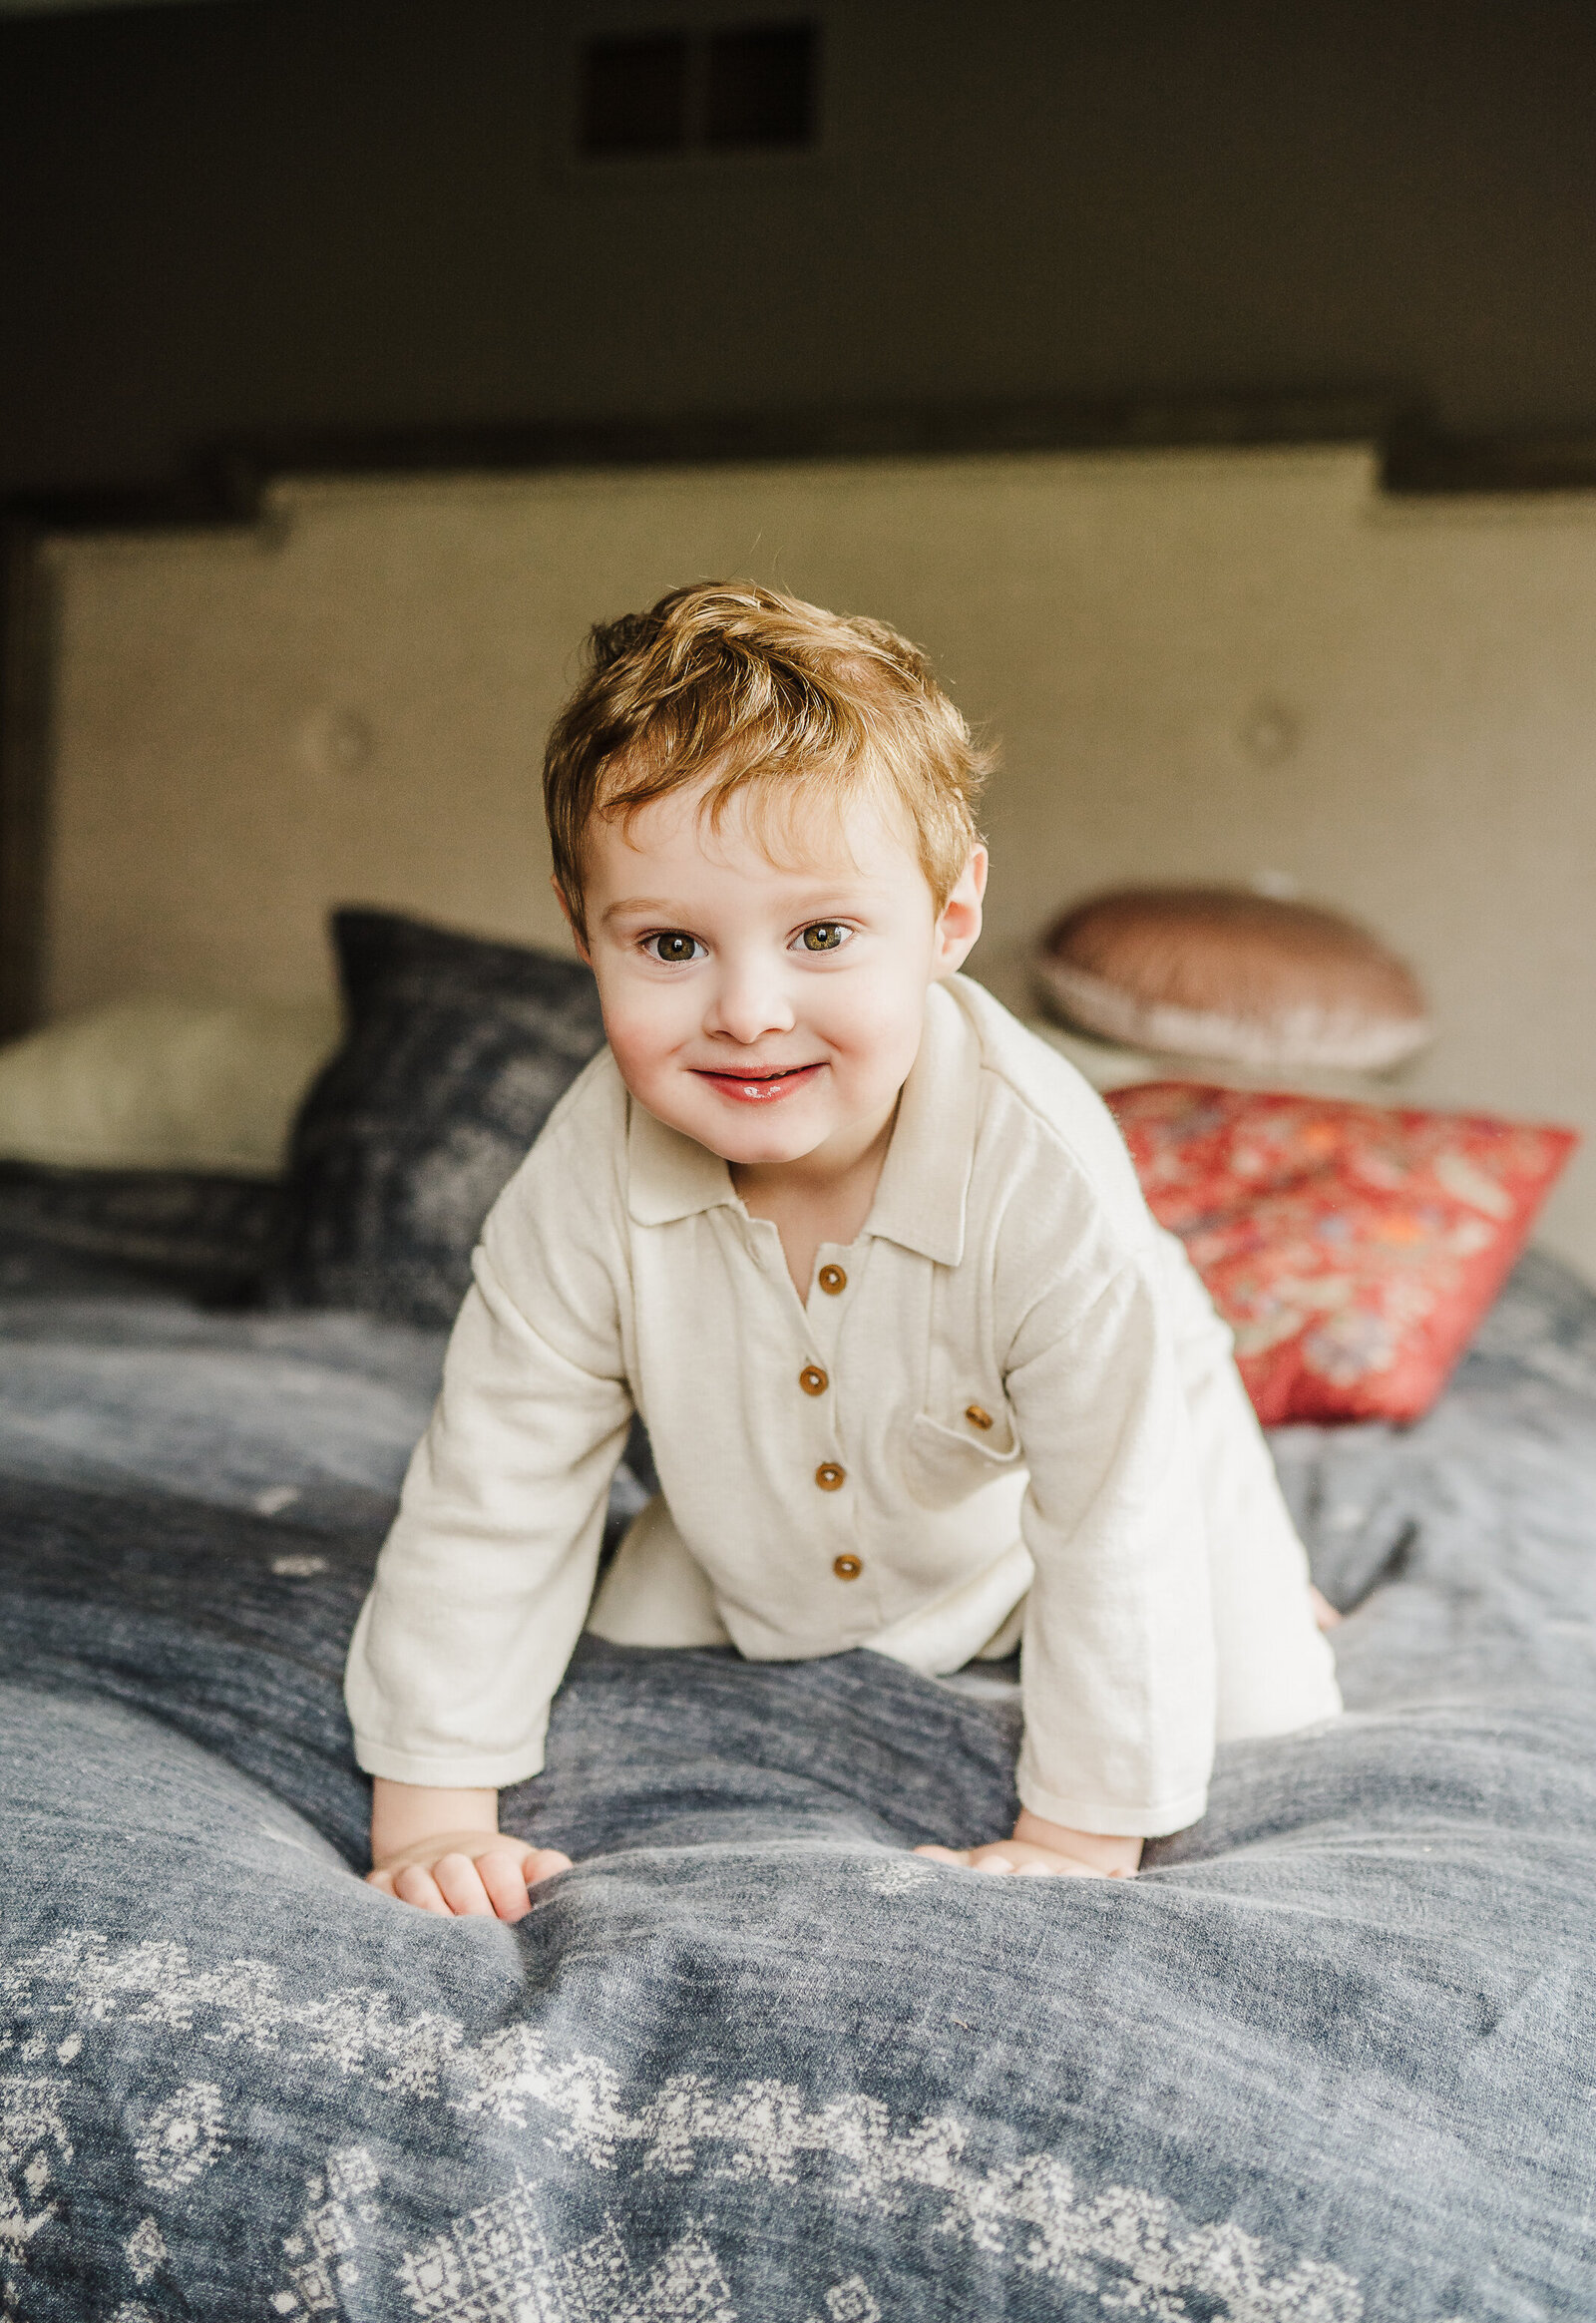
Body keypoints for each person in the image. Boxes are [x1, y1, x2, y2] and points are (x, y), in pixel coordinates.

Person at [348, 581, 1340, 1918]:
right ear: (583, 928)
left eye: (822, 935)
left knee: (1262, 1700)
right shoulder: (578, 1184)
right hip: (764, 1515)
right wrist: (432, 1818)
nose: (749, 1013)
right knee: (619, 1634)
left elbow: (1118, 1515)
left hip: (1099, 1460)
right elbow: (495, 1487)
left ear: (948, 916)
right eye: (671, 943)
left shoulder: (1038, 1178)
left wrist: (1075, 1841)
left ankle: (1277, 1581)